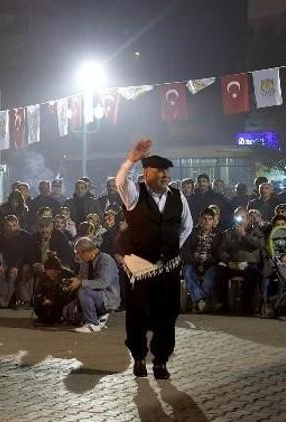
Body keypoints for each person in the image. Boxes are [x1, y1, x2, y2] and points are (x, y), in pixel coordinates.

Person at [115, 139, 193, 380]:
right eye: (159, 171)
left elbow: (186, 226)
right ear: (146, 173)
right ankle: (139, 357)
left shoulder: (178, 196)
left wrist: (170, 250)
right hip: (140, 267)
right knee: (138, 313)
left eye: (167, 171)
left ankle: (160, 361)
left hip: (168, 267)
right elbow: (120, 181)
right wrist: (131, 160)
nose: (164, 175)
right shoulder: (134, 194)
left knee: (167, 314)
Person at [214, 208, 264, 314]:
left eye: (243, 217)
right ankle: (224, 305)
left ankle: (246, 306)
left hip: (249, 264)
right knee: (219, 271)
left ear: (248, 218)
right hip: (232, 263)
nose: (240, 220)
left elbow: (259, 244)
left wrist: (244, 235)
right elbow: (221, 250)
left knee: (251, 274)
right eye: (237, 217)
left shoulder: (256, 231)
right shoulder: (228, 233)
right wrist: (228, 261)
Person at [67, 237, 120, 332]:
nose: (78, 257)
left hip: (108, 298)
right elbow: (81, 278)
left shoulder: (106, 260)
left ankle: (92, 324)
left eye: (79, 253)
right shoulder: (85, 261)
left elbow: (103, 283)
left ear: (87, 252)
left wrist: (80, 282)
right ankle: (100, 316)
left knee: (84, 291)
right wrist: (74, 281)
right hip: (95, 295)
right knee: (68, 310)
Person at [181, 208, 221, 313]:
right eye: (204, 219)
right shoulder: (190, 232)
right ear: (199, 219)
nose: (207, 222)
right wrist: (196, 263)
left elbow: (219, 253)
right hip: (193, 262)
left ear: (213, 221)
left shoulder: (218, 235)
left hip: (210, 263)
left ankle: (198, 302)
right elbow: (185, 251)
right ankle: (201, 301)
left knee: (210, 276)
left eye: (210, 219)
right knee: (187, 271)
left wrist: (207, 263)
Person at [0, 214, 34, 308]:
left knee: (14, 274)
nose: (11, 228)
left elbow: (26, 254)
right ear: (6, 226)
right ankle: (5, 298)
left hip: (23, 263)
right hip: (7, 263)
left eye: (14, 225)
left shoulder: (26, 236)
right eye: (9, 226)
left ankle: (12, 301)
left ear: (18, 225)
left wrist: (16, 266)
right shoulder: (3, 236)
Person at [31, 252, 76, 325]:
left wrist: (53, 302)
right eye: (49, 274)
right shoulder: (43, 276)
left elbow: (67, 296)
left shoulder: (67, 275)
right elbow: (37, 293)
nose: (51, 276)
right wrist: (43, 299)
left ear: (59, 271)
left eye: (54, 274)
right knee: (36, 302)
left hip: (62, 303)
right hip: (48, 301)